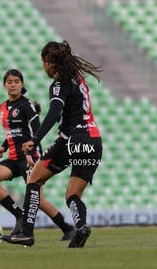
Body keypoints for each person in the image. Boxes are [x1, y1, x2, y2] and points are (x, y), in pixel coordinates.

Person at [7, 40, 103, 248]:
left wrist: (35, 139)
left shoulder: (59, 84)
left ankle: (26, 233)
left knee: (33, 180)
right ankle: (81, 226)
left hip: (72, 140)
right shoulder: (77, 77)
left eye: (44, 61)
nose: (43, 66)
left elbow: (54, 112)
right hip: (93, 142)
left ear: (50, 62)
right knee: (72, 195)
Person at [0, 69, 75, 242]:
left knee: (38, 200)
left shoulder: (27, 105)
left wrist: (32, 153)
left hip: (29, 156)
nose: (13, 84)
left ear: (22, 84)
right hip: (13, 157)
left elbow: (36, 130)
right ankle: (19, 216)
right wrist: (3, 147)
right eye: (9, 81)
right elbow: (14, 131)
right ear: (4, 84)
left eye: (16, 81)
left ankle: (67, 228)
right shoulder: (4, 106)